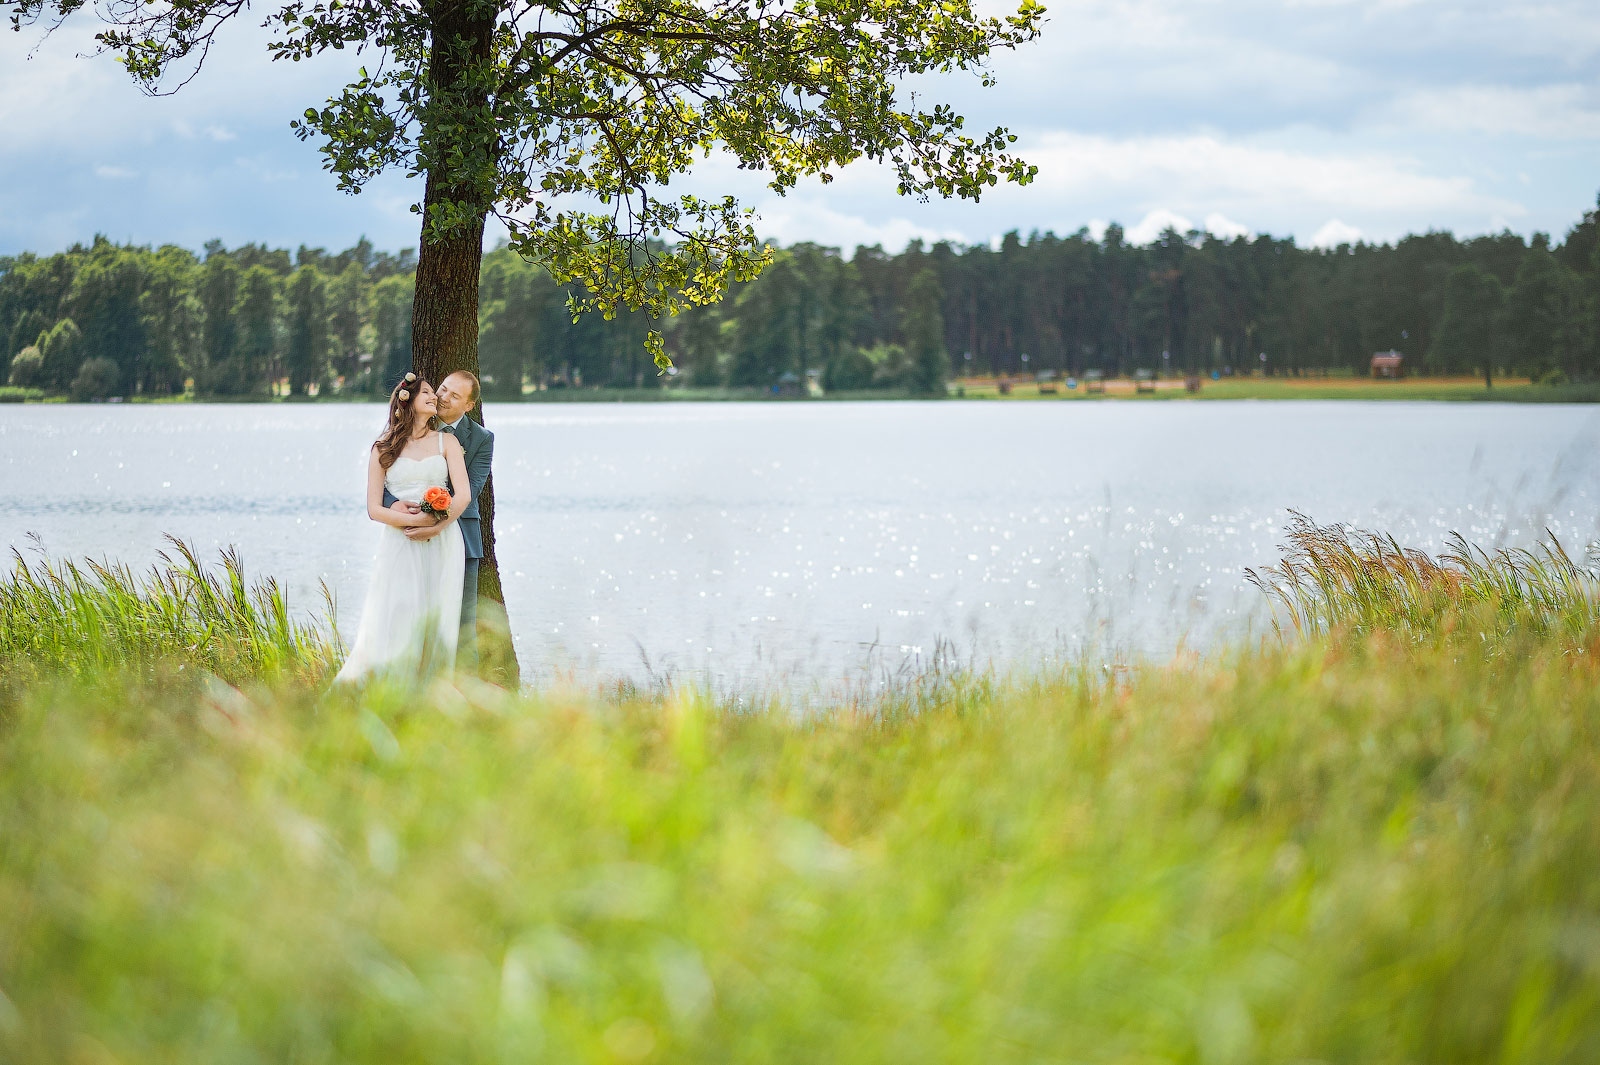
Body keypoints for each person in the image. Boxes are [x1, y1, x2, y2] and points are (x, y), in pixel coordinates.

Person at [334, 374, 471, 682]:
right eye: (426, 393)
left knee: (438, 614)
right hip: (400, 541)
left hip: (444, 540)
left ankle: (432, 688)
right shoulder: (383, 448)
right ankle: (389, 684)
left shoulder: (447, 442)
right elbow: (374, 509)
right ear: (407, 401)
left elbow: (463, 494)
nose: (434, 396)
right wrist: (415, 522)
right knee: (398, 612)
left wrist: (435, 524)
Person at [385, 370, 495, 666]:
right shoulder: (415, 421)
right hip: (409, 538)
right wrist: (395, 505)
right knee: (411, 617)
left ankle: (466, 694)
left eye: (454, 396)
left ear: (469, 405)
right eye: (443, 389)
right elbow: (391, 478)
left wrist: (435, 525)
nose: (443, 398)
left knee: (461, 623)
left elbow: (469, 490)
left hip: (462, 539)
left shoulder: (482, 439)